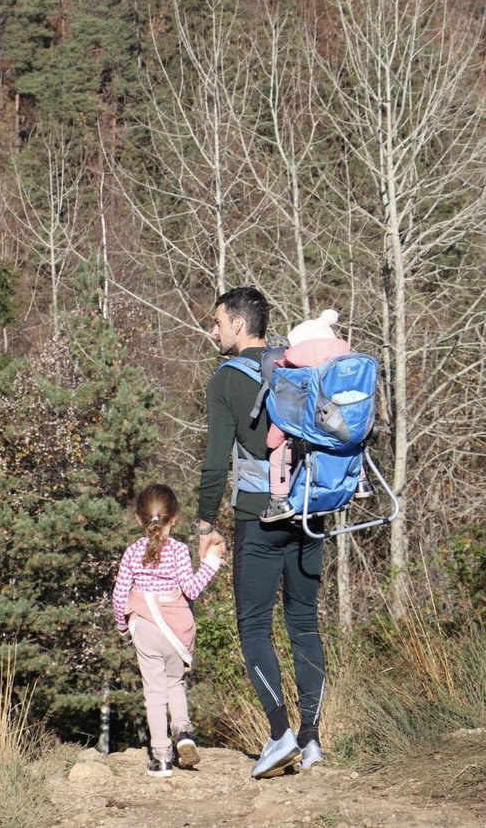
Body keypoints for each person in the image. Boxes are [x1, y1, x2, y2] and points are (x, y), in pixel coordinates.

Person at [191, 286, 326, 780]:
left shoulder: (226, 379)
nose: (214, 331)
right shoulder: (297, 369)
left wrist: (205, 523)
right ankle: (311, 741)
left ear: (240, 325)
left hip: (258, 517)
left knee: (253, 627)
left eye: (218, 322)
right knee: (305, 625)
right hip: (311, 513)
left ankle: (279, 734)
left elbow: (213, 464)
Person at [112, 483, 226, 778]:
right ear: (174, 518)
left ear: (139, 519)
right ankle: (184, 731)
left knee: (154, 691)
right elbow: (190, 589)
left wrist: (122, 625)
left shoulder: (132, 552)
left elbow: (120, 594)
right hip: (176, 629)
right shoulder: (178, 551)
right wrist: (212, 561)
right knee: (175, 682)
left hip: (146, 627)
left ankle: (162, 757)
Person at [261, 308, 354, 524]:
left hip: (313, 442)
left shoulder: (301, 382)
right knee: (355, 445)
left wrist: (272, 440)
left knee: (278, 456)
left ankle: (278, 501)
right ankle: (360, 481)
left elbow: (285, 418)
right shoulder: (345, 376)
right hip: (347, 437)